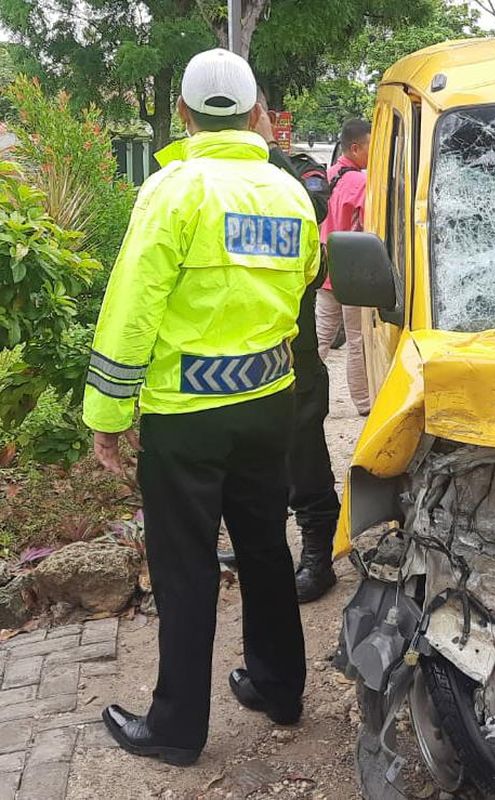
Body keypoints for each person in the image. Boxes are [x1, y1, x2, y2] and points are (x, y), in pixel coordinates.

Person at [84, 48, 320, 765]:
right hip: (266, 407)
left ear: (184, 115)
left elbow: (132, 308)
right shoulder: (289, 194)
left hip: (186, 416)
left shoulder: (171, 191)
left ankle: (177, 729)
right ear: (257, 115)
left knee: (184, 568)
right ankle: (279, 687)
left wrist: (106, 412)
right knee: (265, 550)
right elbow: (306, 279)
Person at [216, 91, 340, 602]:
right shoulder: (214, 175)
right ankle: (261, 544)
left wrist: (267, 146)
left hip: (294, 341)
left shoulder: (301, 169)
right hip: (233, 338)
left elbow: (313, 207)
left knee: (301, 446)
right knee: (245, 452)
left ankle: (318, 553)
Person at [315, 118, 372, 417]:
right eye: (369, 147)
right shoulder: (361, 183)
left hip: (325, 269)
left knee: (320, 338)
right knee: (356, 340)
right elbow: (370, 226)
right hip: (352, 274)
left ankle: (302, 394)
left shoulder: (326, 176)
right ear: (355, 147)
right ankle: (363, 403)